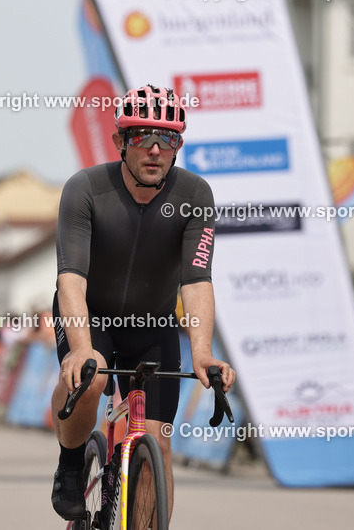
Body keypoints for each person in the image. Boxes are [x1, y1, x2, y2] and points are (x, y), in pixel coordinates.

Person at [50, 84, 236, 523]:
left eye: (167, 138)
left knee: (159, 441)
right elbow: (70, 279)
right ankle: (71, 464)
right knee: (91, 376)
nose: (154, 149)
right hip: (89, 316)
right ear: (119, 142)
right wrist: (79, 348)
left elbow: (196, 281)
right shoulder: (86, 189)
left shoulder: (195, 194)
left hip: (152, 325)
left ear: (179, 145)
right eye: (141, 137)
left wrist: (203, 351)